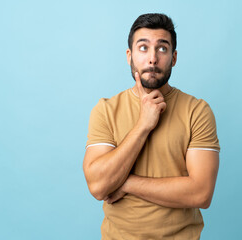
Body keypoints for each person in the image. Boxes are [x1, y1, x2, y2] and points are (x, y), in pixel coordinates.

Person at [83, 13, 220, 240]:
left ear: (174, 58)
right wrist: (143, 125)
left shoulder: (197, 111)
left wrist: (126, 183)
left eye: (162, 49)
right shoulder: (106, 109)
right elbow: (98, 186)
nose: (153, 59)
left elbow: (201, 193)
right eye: (143, 48)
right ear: (130, 56)